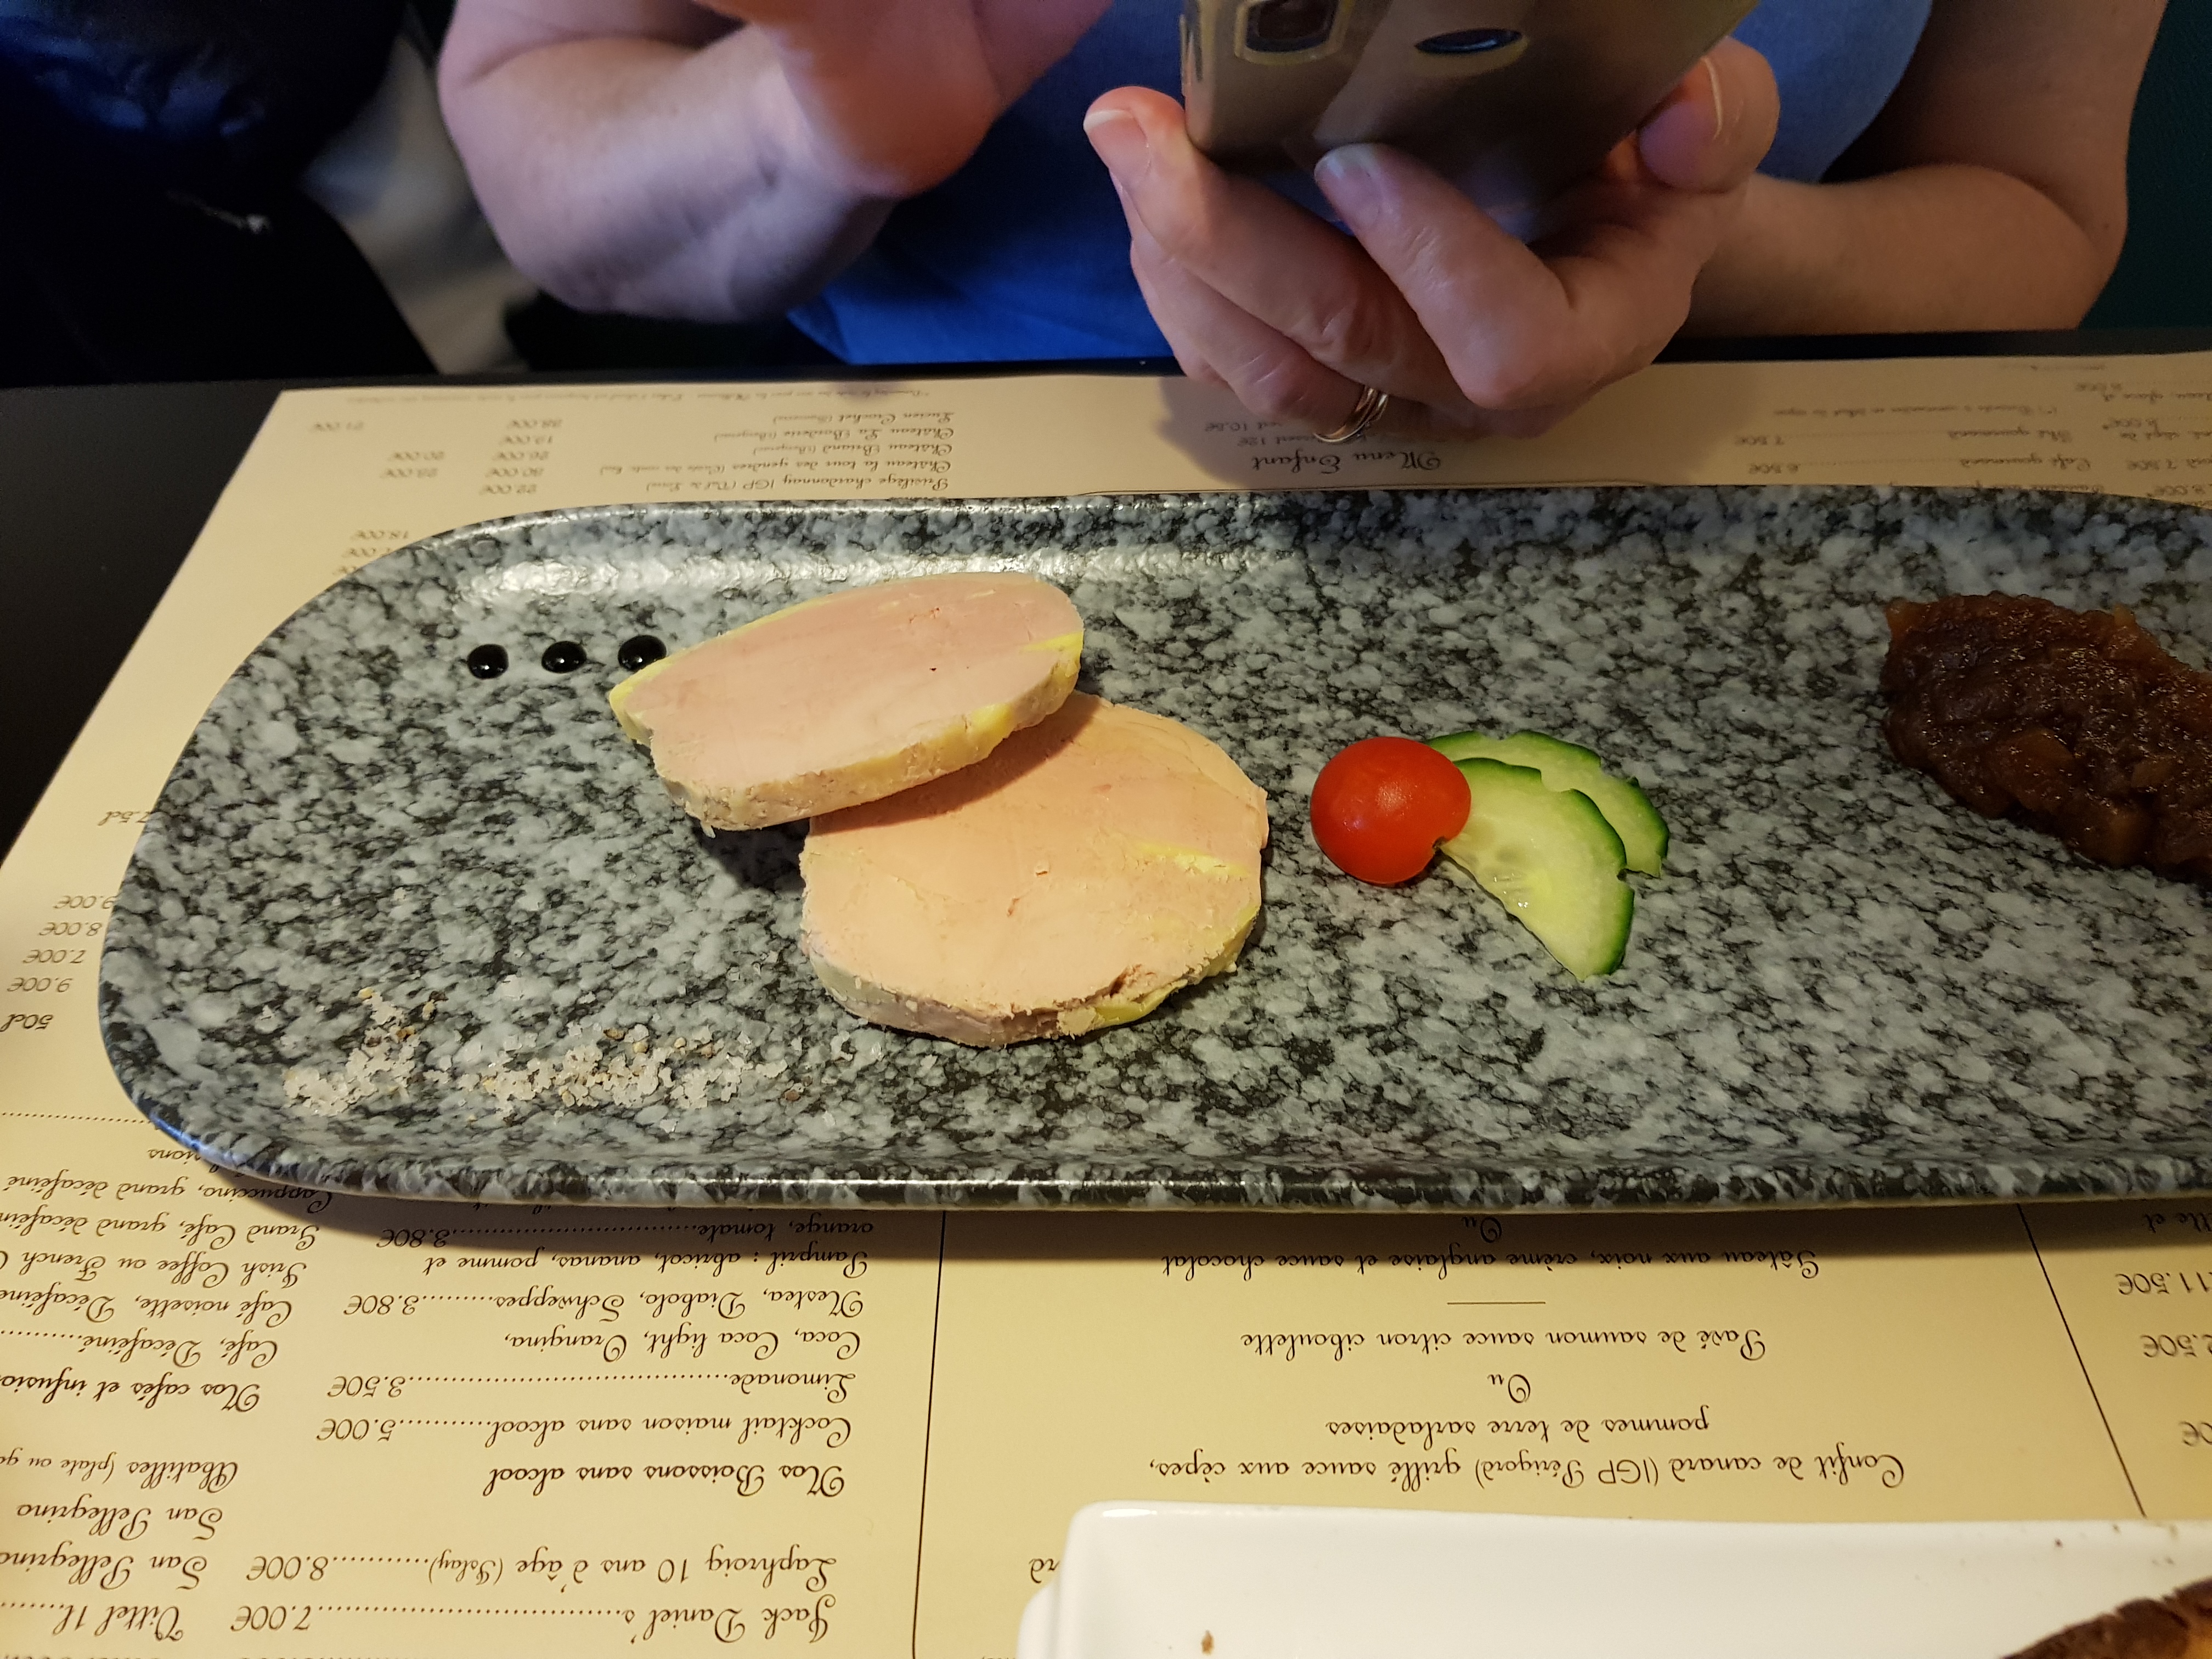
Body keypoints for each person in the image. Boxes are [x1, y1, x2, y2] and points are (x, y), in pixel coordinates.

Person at [438, 0, 2163, 437]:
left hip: (1699, 466)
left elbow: (2039, 211)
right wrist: (801, 124)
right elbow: (539, 123)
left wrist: (1708, 248)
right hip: (910, 455)